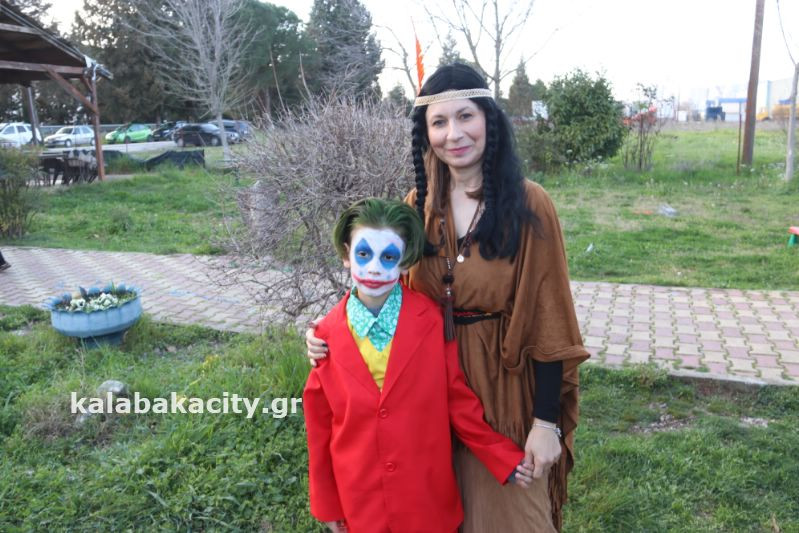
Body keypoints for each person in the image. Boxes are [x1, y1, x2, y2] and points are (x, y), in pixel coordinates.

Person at [307, 64, 590, 532]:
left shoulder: (529, 204)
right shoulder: (418, 205)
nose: (453, 134)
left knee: (510, 519)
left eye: (465, 116)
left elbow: (549, 318)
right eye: (439, 122)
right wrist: (328, 334)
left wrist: (545, 422)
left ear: (488, 119)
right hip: (421, 401)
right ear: (426, 131)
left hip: (501, 393)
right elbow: (386, 293)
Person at [304, 198, 535, 533]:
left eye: (388, 257)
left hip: (425, 500)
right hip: (360, 502)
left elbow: (457, 400)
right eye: (364, 254)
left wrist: (501, 457)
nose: (374, 269)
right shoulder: (325, 335)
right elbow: (319, 428)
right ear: (346, 255)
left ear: (405, 261)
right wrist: (327, 504)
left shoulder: (429, 320)